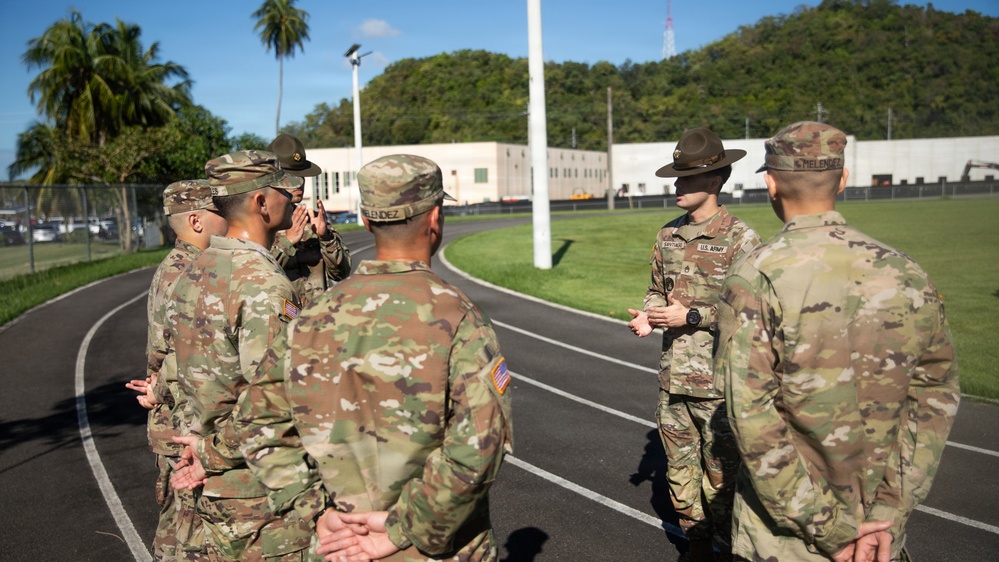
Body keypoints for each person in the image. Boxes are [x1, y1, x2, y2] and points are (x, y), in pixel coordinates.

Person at [234, 154, 513, 561]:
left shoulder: (310, 317)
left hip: (340, 544)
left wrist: (316, 512)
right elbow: (480, 447)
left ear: (366, 220)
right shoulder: (459, 318)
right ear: (435, 219)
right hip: (435, 550)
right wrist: (405, 529)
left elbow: (257, 421)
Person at [715, 122, 959, 562]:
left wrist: (827, 527)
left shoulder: (756, 276)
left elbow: (750, 414)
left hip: (788, 541)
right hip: (878, 538)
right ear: (842, 180)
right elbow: (934, 398)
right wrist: (889, 510)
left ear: (771, 184)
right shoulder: (908, 273)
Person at [168, 150, 312, 560]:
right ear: (261, 202)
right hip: (261, 491)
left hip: (216, 484)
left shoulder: (197, 269)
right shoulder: (263, 284)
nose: (292, 197)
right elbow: (273, 398)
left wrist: (204, 449)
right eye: (282, 189)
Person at [627, 128, 761, 562]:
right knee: (680, 476)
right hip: (674, 381)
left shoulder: (741, 239)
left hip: (719, 386)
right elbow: (656, 290)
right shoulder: (667, 235)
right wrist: (650, 314)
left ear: (714, 181)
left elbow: (751, 312)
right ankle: (697, 548)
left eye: (686, 178)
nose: (677, 186)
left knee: (722, 480)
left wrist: (691, 317)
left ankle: (728, 549)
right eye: (676, 177)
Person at [125, 179, 228, 560]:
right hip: (179, 420)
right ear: (197, 221)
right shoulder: (187, 271)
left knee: (180, 526)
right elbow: (176, 353)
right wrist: (160, 388)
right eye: (220, 211)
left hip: (176, 415)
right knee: (187, 531)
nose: (228, 218)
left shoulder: (185, 265)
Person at [268, 133, 351, 306]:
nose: (299, 183)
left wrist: (326, 238)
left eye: (302, 176)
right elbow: (254, 278)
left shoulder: (312, 221)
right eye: (291, 177)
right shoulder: (258, 224)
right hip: (278, 321)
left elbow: (341, 273)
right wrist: (286, 243)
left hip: (317, 318)